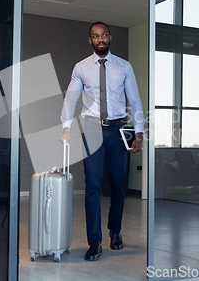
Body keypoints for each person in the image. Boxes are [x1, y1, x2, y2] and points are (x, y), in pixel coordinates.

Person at [60, 21, 145, 261]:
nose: (100, 39)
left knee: (119, 184)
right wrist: (66, 127)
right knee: (93, 185)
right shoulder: (81, 67)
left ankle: (115, 230)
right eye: (96, 36)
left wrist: (139, 132)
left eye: (104, 35)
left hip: (119, 129)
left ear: (110, 38)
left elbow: (135, 101)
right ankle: (94, 242)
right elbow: (70, 99)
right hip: (93, 129)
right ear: (90, 40)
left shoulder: (124, 66)